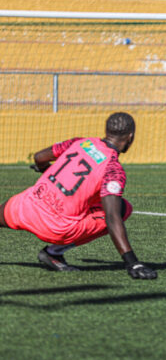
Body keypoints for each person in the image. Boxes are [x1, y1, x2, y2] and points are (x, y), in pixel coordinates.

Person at [0, 112, 156, 279]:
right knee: (123, 208)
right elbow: (112, 217)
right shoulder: (113, 169)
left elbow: (39, 157)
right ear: (130, 137)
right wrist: (132, 262)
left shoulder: (81, 142)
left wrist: (44, 168)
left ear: (107, 131)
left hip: (26, 206)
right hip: (55, 228)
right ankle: (53, 252)